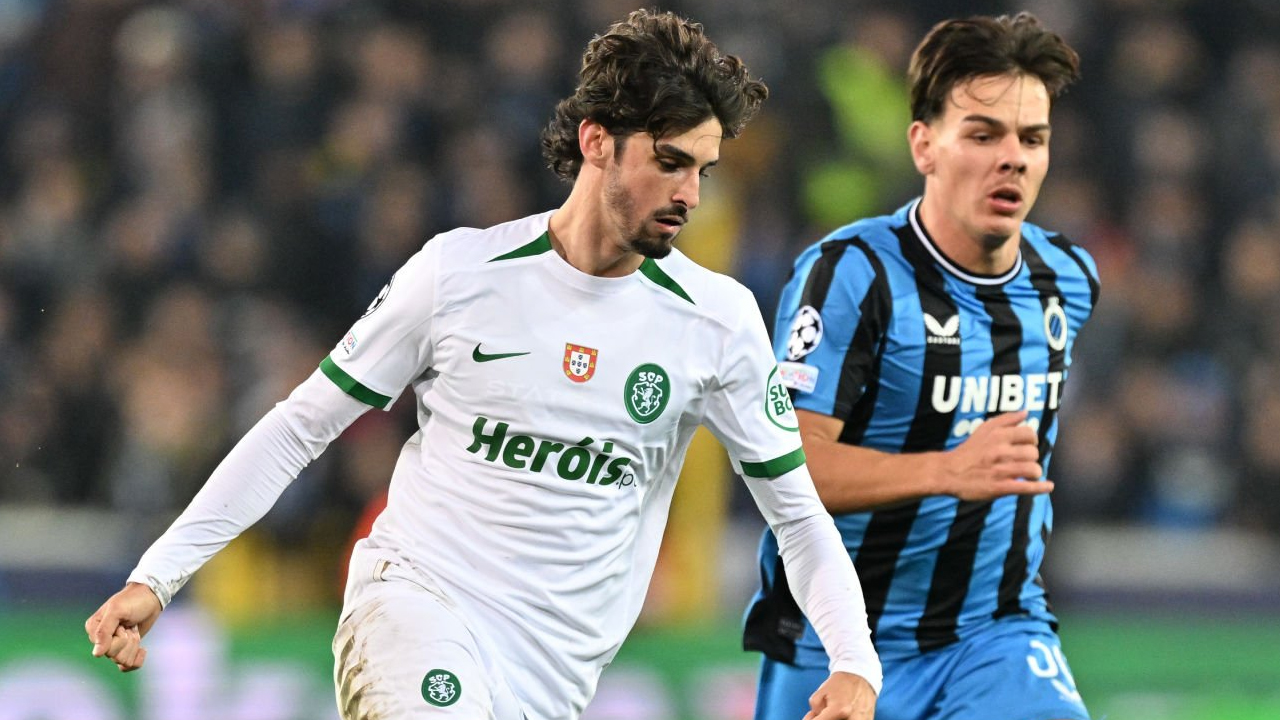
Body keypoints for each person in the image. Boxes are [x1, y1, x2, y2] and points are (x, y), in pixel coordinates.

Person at [85, 10, 882, 720]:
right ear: (596, 140)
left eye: (703, 171)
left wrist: (855, 662)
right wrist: (159, 576)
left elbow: (798, 516)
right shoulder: (461, 274)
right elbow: (302, 427)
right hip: (416, 603)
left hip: (552, 677)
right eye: (670, 162)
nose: (690, 195)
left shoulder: (719, 320)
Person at [745, 12, 1096, 720]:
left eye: (1033, 138)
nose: (1013, 158)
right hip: (838, 647)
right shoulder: (852, 276)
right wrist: (945, 469)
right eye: (983, 134)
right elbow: (785, 466)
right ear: (924, 145)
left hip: (994, 637)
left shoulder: (1067, 277)